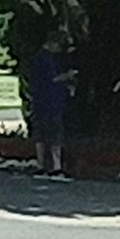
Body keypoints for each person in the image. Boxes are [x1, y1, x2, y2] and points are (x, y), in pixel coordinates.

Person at [28, 34, 75, 179]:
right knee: (55, 134)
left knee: (40, 135)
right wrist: (68, 75)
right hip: (52, 102)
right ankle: (56, 166)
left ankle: (40, 165)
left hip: (39, 102)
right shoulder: (47, 59)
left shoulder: (37, 58)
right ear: (52, 43)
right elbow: (53, 78)